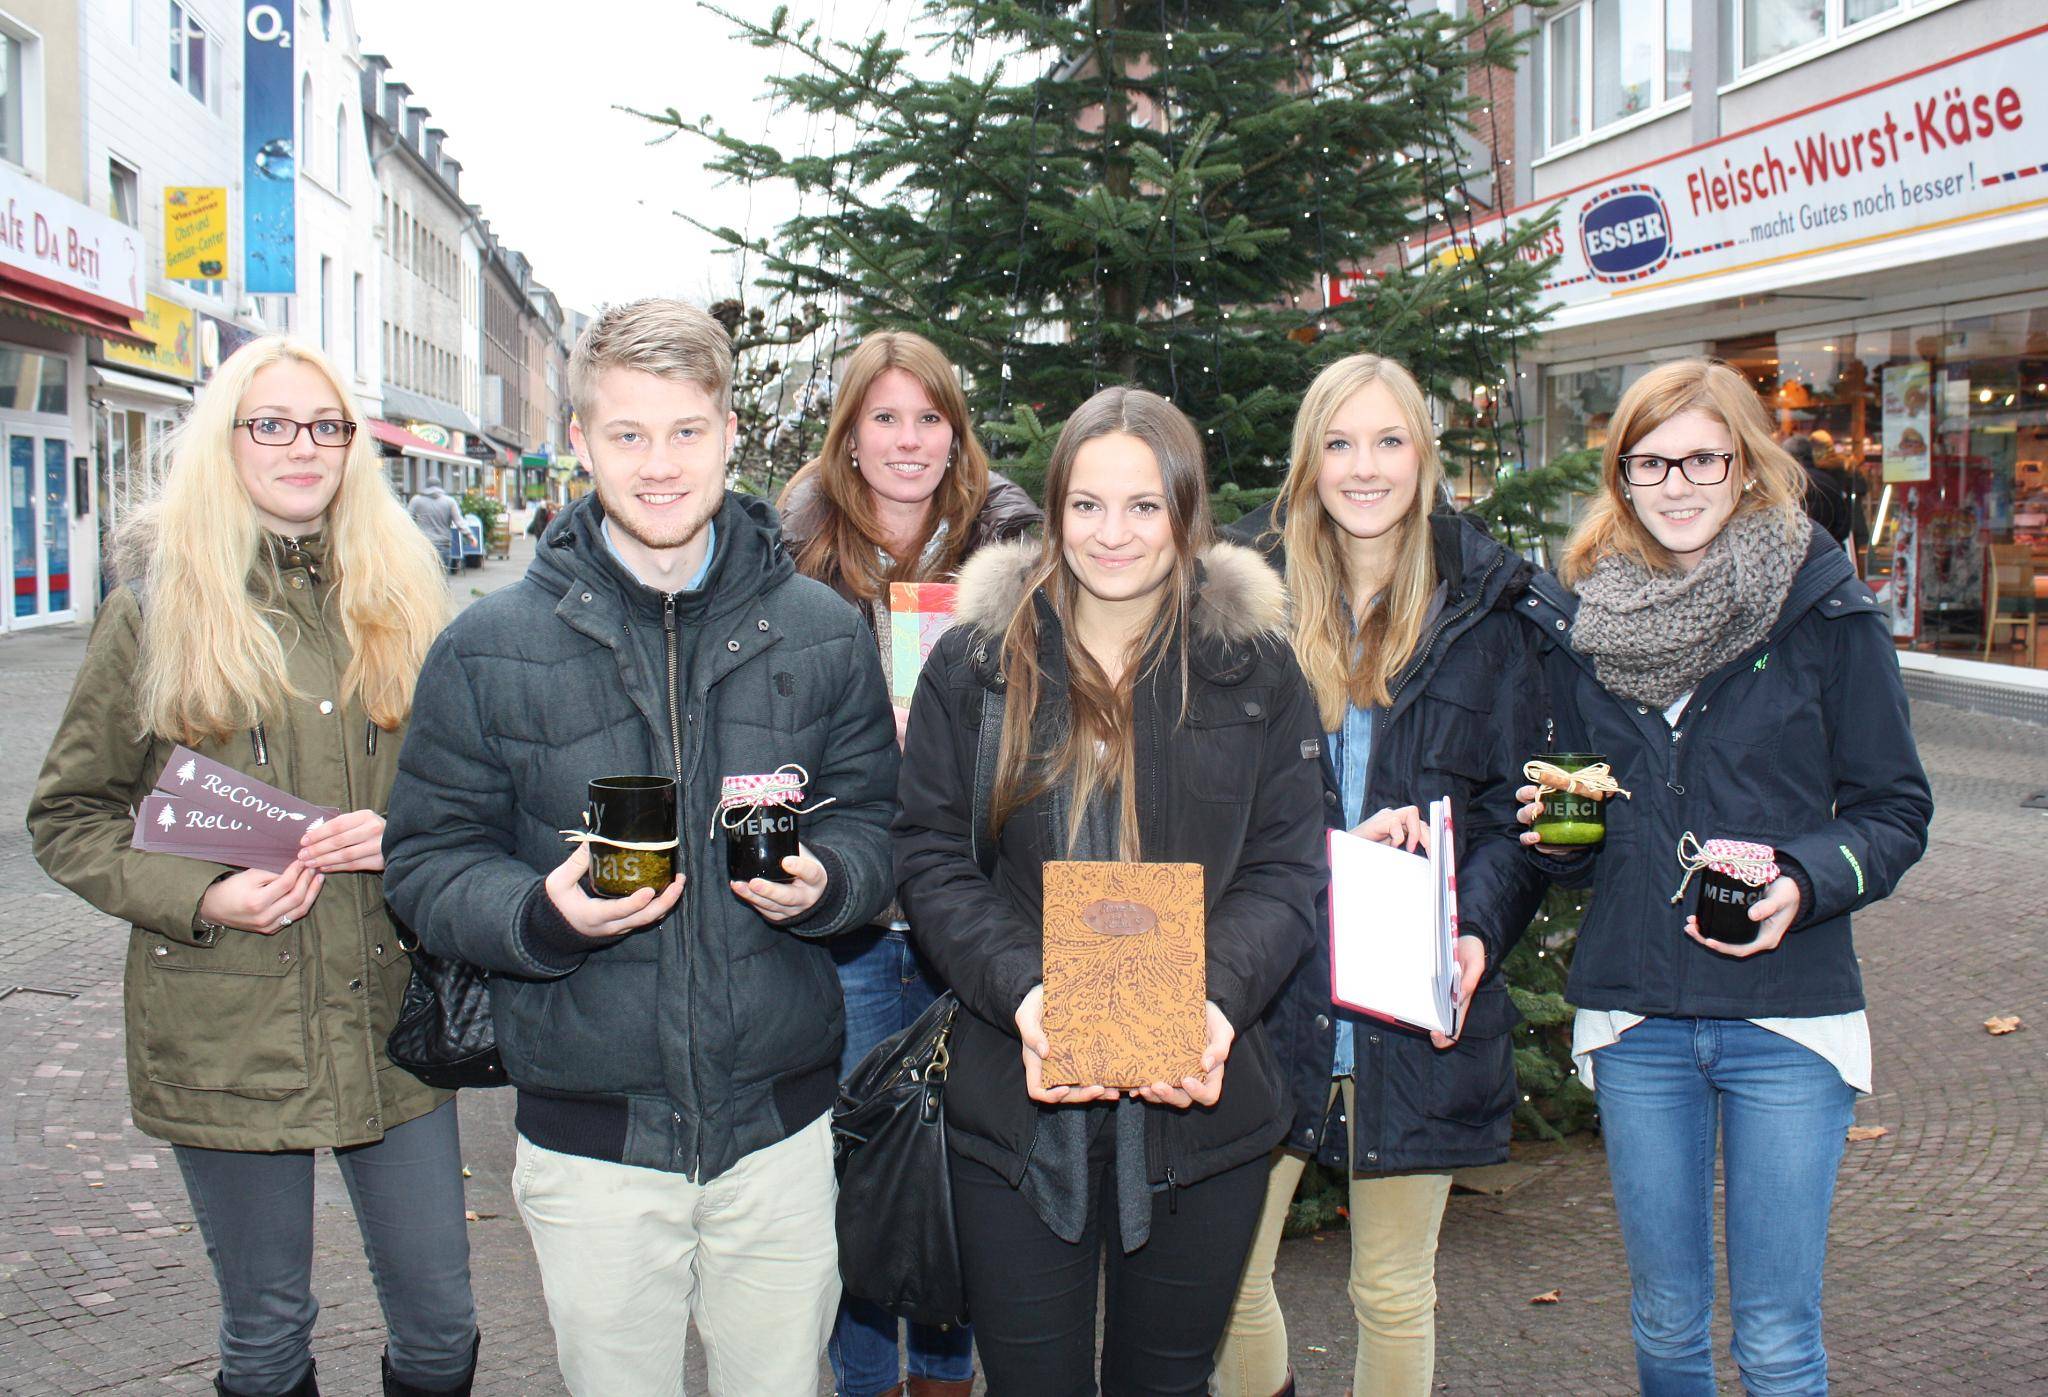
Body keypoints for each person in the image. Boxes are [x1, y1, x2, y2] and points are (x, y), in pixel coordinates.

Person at [381, 298, 900, 1395]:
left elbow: (877, 824)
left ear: (727, 434)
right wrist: (540, 916)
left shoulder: (821, 631)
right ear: (579, 441)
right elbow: (426, 858)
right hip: (593, 1141)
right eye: (626, 434)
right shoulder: (487, 647)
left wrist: (831, 882)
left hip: (779, 1132)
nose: (657, 465)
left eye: (683, 432)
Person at [28, 337, 478, 1397]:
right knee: (267, 1333)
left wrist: (404, 830)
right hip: (229, 1022)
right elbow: (69, 814)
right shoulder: (154, 608)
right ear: (225, 441)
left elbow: (472, 796)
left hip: (392, 1013)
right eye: (270, 423)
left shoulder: (409, 602)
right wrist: (203, 892)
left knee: (443, 1326)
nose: (301, 446)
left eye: (324, 425)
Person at [1513, 358, 1932, 1394]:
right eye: (1648, 459)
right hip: (1637, 1011)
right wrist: (1555, 833)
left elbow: (1893, 809)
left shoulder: (1823, 614)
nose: (1676, 480)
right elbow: (1578, 828)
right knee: (1661, 1321)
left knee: (1778, 1337)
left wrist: (1806, 875)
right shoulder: (1586, 626)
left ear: (1747, 465)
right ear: (1621, 476)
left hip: (1785, 1015)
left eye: (1702, 455)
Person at [895, 386, 1325, 1394]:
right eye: (1086, 504)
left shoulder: (1253, 668)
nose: (1112, 532)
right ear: (1052, 511)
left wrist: (1210, 1002)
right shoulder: (976, 663)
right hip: (1016, 1100)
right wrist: (1028, 995)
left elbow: (1284, 867)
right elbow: (930, 856)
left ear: (1186, 511)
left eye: (1143, 505)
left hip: (1199, 1107)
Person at [1214, 354, 1547, 1397]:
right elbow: (1201, 807)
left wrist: (1477, 929)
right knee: (1224, 1280)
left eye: (1388, 440)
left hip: (1416, 1003)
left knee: (1395, 1292)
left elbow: (1517, 822)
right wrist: (1333, 846)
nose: (1364, 467)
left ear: (1424, 454)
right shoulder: (1243, 606)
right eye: (1339, 441)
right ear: (1307, 459)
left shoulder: (1486, 612)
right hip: (1270, 993)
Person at [777, 329, 1040, 1397]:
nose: (907, 439)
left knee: (961, 1167)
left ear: (955, 431)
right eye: (883, 416)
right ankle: (858, 1378)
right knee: (852, 1169)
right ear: (848, 433)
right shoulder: (789, 559)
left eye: (927, 417)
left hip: (970, 913)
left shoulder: (1014, 554)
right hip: (842, 919)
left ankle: (943, 1374)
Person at [407, 477, 461, 571]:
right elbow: (459, 521)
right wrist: (470, 536)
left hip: (423, 544)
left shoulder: (416, 500)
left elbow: (407, 519)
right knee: (442, 576)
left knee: (425, 575)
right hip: (443, 544)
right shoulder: (449, 501)